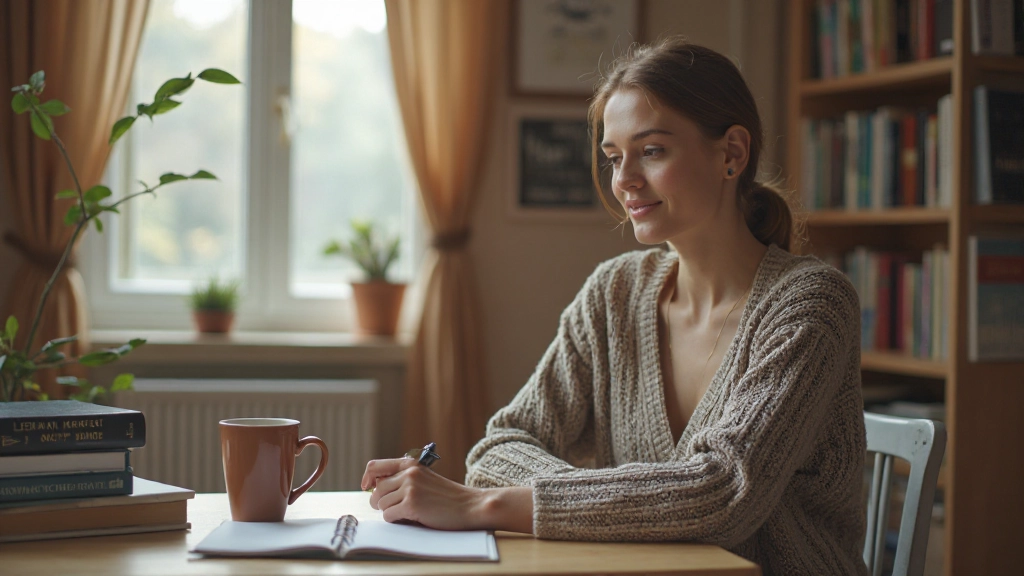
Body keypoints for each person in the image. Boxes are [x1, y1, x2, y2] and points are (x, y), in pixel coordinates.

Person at [361, 37, 867, 576]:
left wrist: (481, 505)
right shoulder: (614, 293)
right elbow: (500, 446)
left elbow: (723, 493)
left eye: (651, 151)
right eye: (613, 157)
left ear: (732, 153)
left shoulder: (811, 303)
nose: (623, 181)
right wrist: (594, 501)